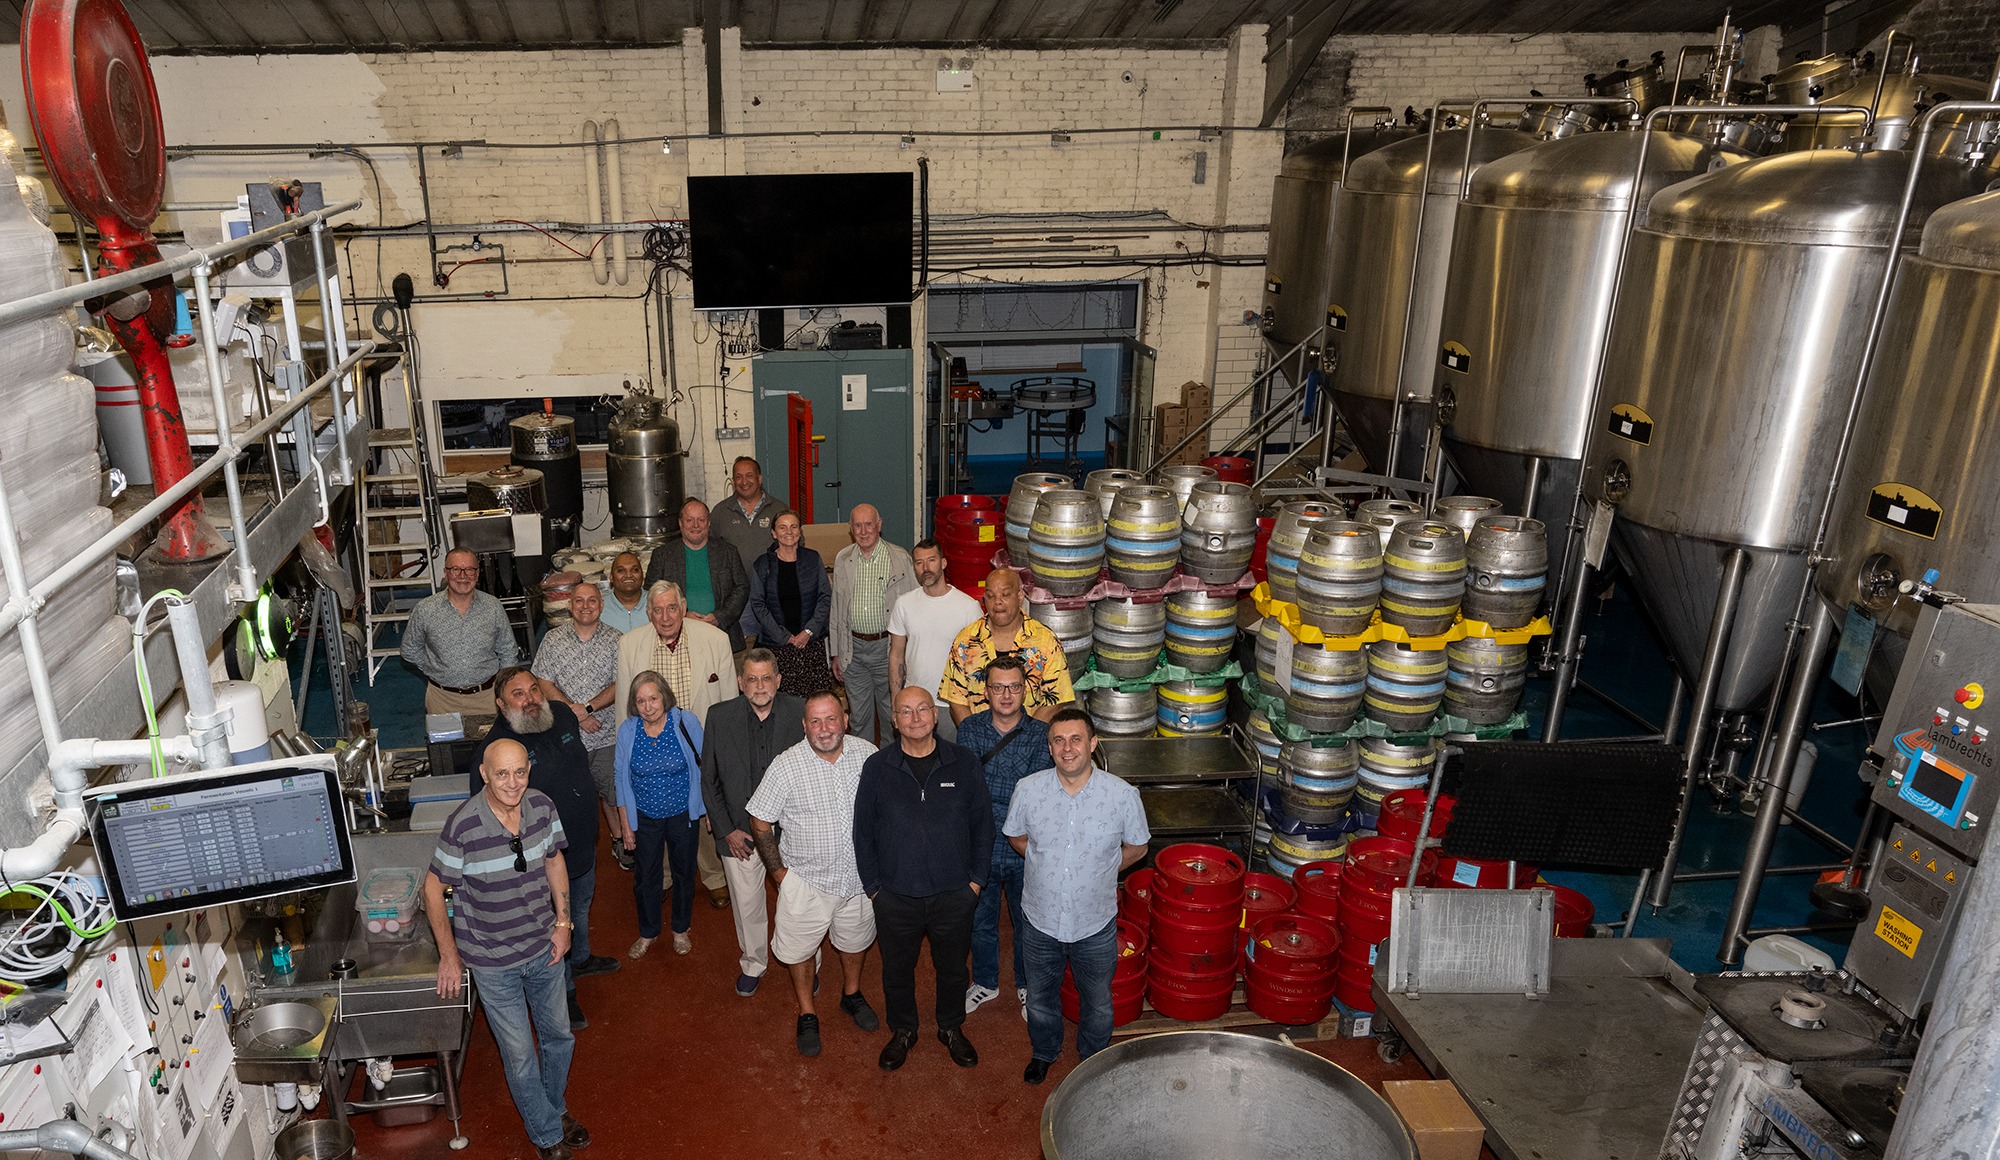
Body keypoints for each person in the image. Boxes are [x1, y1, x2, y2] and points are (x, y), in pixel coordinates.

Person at [425, 739, 588, 1160]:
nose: (512, 783)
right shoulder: (462, 826)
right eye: (501, 774)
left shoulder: (542, 807)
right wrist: (449, 955)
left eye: (520, 772)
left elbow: (554, 860)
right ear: (483, 773)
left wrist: (564, 924)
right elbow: (432, 887)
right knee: (519, 1057)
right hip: (493, 962)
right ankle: (548, 1135)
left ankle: (551, 1110)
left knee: (560, 1038)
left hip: (544, 949)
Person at [1005, 709, 1150, 1085]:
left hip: (1094, 921)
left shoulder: (1121, 795)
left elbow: (1137, 847)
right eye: (1058, 740)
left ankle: (1092, 1058)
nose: (1067, 748)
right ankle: (1044, 1052)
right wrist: (1047, 864)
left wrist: (1099, 870)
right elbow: (1017, 837)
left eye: (1076, 739)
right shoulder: (1028, 790)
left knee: (1098, 1000)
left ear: (1093, 744)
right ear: (1049, 747)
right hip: (1039, 920)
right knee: (1039, 997)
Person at [853, 688, 992, 1072]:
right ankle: (903, 1030)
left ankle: (950, 1028)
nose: (915, 718)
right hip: (895, 896)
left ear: (935, 715)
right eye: (906, 712)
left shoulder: (963, 762)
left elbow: (983, 826)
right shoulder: (877, 767)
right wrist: (874, 888)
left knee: (953, 969)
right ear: (894, 720)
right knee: (897, 970)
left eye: (922, 709)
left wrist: (975, 883)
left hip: (954, 894)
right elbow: (862, 831)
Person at [475, 669, 620, 1031]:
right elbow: (484, 814)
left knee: (581, 905)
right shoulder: (496, 750)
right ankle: (564, 991)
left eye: (534, 689)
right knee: (553, 922)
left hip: (583, 840)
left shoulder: (562, 716)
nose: (531, 699)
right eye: (518, 694)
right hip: (540, 861)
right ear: (501, 705)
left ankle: (581, 958)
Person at [746, 691, 882, 1057]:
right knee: (799, 951)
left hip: (859, 881)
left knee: (855, 942)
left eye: (831, 719)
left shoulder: (869, 756)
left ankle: (851, 995)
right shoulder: (786, 765)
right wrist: (780, 876)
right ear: (804, 726)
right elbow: (759, 820)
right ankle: (807, 1012)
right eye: (816, 722)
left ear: (846, 720)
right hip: (806, 882)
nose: (825, 729)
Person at [614, 580, 734, 908]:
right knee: (657, 809)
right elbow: (625, 704)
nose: (665, 616)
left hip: (701, 747)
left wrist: (725, 755)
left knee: (705, 807)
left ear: (683, 608)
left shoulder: (716, 640)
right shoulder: (629, 645)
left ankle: (713, 876)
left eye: (671, 608)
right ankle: (664, 876)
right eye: (657, 609)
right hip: (651, 743)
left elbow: (728, 705)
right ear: (648, 613)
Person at [699, 649, 805, 996]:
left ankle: (807, 962)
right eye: (752, 679)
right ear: (741, 683)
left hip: (790, 833)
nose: (760, 686)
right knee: (747, 905)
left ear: (778, 681)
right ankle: (754, 962)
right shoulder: (718, 716)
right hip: (739, 833)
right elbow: (709, 779)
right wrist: (727, 829)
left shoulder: (800, 711)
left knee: (799, 903)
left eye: (766, 678)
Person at [955, 654, 1049, 1020]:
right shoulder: (970, 730)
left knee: (1029, 920)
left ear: (1025, 689)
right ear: (986, 691)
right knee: (981, 917)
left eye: (1013, 686)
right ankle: (985, 982)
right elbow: (967, 787)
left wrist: (997, 793)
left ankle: (1027, 984)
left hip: (1027, 841)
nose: (1006, 695)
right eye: (998, 687)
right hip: (980, 839)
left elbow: (1037, 791)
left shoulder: (1042, 734)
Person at [532, 581, 631, 871]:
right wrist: (574, 714)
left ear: (601, 606)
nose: (585, 606)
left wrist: (588, 708)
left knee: (612, 794)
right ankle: (565, 849)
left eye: (592, 601)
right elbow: (543, 681)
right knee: (565, 796)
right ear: (570, 605)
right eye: (579, 601)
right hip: (564, 736)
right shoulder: (552, 640)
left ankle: (618, 839)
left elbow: (620, 682)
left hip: (606, 734)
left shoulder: (617, 640)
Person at [615, 671, 707, 959]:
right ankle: (648, 931)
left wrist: (709, 811)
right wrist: (626, 825)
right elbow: (620, 778)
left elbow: (705, 766)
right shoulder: (628, 730)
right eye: (640, 700)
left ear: (664, 697)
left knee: (683, 873)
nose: (648, 706)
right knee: (646, 878)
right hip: (645, 817)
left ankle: (681, 929)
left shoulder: (685, 721)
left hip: (683, 814)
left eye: (653, 698)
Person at [940, 568, 1076, 725]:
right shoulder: (965, 640)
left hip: (1030, 743)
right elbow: (956, 700)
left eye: (1005, 595)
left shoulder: (1045, 641)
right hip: (978, 744)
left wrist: (1023, 739)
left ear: (1019, 597)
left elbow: (1055, 700)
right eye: (990, 596)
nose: (997, 601)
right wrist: (976, 738)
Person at [830, 503, 916, 745]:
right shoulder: (843, 558)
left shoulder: (900, 559)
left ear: (879, 525)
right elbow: (836, 608)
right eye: (858, 525)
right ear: (850, 529)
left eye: (869, 524)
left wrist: (909, 652)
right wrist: (836, 652)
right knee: (859, 720)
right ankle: (866, 770)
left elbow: (913, 607)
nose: (864, 530)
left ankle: (891, 772)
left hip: (888, 650)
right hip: (853, 651)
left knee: (892, 716)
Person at [402, 547, 519, 718]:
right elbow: (410, 649)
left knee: (492, 745)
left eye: (470, 569)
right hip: (442, 700)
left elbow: (508, 651)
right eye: (456, 569)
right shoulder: (425, 609)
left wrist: (504, 690)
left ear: (477, 574)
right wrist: (434, 669)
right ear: (446, 573)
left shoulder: (493, 607)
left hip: (487, 699)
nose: (463, 576)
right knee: (445, 745)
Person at [887, 539, 981, 745]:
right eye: (919, 563)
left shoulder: (968, 607)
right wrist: (897, 700)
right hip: (914, 703)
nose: (925, 568)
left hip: (952, 705)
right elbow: (896, 655)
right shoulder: (904, 604)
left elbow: (978, 663)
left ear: (944, 563)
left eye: (931, 560)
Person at [750, 509, 834, 698]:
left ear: (800, 531)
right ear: (773, 533)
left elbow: (825, 597)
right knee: (783, 706)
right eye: (782, 527)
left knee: (815, 704)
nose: (789, 532)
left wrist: (808, 632)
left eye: (794, 526)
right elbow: (758, 603)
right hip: (778, 648)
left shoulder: (813, 559)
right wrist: (784, 636)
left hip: (811, 646)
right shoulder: (762, 564)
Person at [647, 498, 752, 650]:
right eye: (689, 520)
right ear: (680, 523)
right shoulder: (662, 555)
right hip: (676, 638)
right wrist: (681, 615)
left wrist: (720, 617)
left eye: (701, 520)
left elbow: (742, 587)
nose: (696, 525)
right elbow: (650, 593)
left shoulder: (728, 552)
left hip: (722, 634)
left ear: (708, 523)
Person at [711, 456, 785, 643]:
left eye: (749, 476)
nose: (744, 482)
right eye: (738, 477)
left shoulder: (779, 509)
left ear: (759, 479)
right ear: (733, 481)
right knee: (744, 651)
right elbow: (710, 553)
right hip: (738, 601)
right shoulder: (720, 513)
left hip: (774, 597)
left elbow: (796, 548)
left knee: (777, 646)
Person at [598, 552, 650, 634]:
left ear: (643, 575)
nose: (628, 575)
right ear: (611, 577)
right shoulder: (598, 607)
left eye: (635, 570)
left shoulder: (657, 602)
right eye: (621, 570)